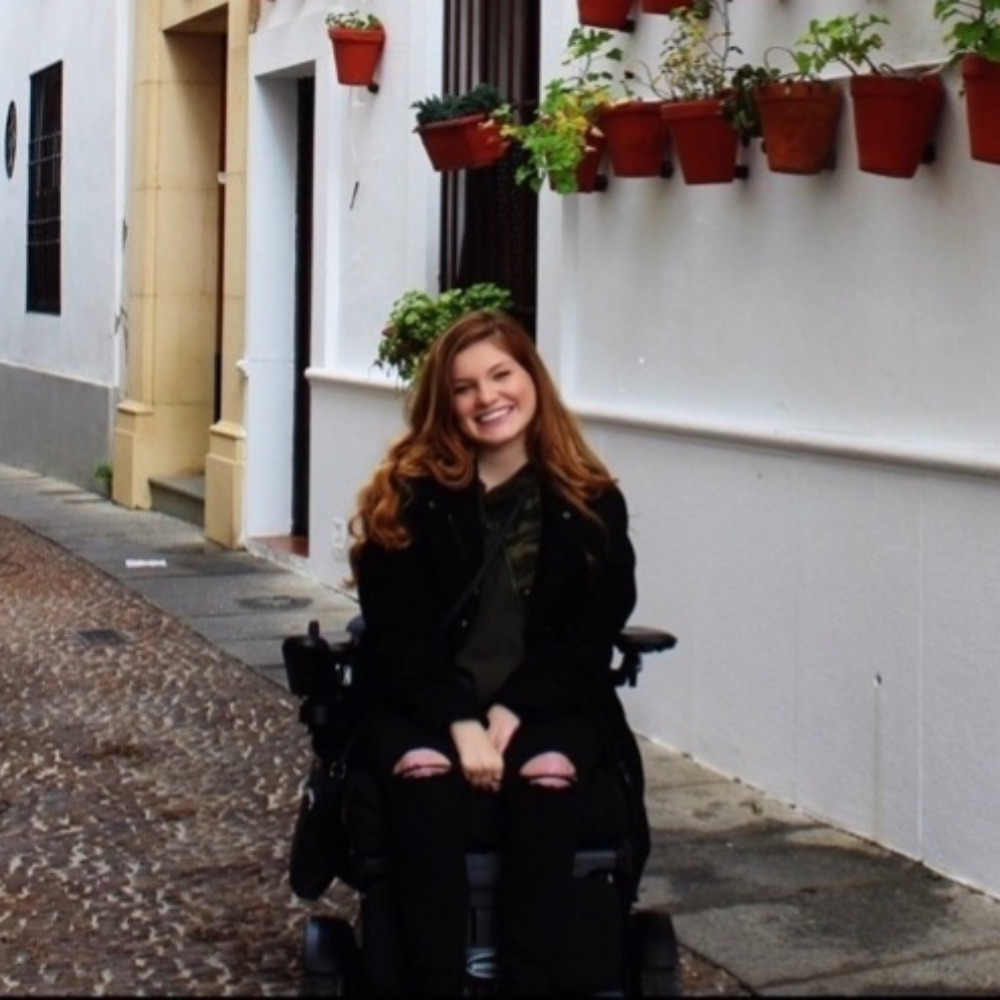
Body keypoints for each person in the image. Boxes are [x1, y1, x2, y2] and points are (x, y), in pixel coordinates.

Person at [348, 309, 647, 995]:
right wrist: (458, 723)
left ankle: (532, 981)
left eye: (500, 375)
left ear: (531, 378)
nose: (487, 398)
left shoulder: (591, 500)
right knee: (423, 773)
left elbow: (591, 630)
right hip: (421, 701)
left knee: (546, 774)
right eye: (464, 387)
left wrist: (513, 712)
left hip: (550, 699)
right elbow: (399, 634)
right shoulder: (408, 496)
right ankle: (432, 980)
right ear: (444, 403)